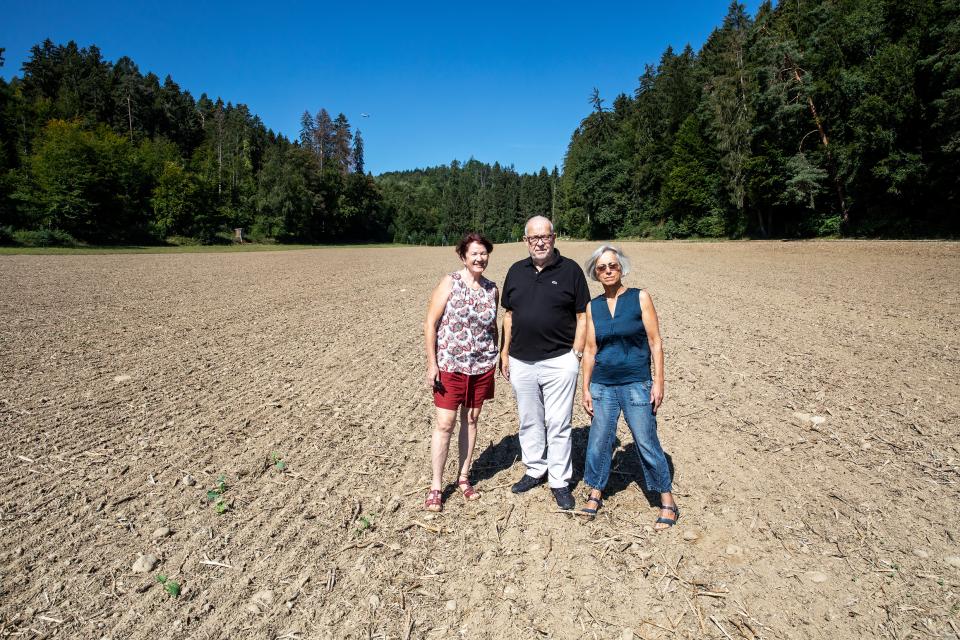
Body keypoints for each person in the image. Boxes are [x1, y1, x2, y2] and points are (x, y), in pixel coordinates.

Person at [579, 244, 679, 529]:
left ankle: (667, 500)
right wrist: (585, 388)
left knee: (646, 440)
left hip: (637, 382)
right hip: (603, 386)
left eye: (613, 265)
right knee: (599, 440)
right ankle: (595, 492)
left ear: (622, 268)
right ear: (595, 274)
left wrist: (658, 382)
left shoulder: (640, 298)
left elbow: (655, 342)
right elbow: (589, 349)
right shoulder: (593, 306)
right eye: (602, 267)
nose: (608, 270)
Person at [500, 216, 589, 510]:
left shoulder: (571, 271)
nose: (539, 242)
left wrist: (575, 354)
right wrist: (504, 352)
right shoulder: (515, 271)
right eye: (533, 237)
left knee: (559, 423)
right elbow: (509, 315)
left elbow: (582, 316)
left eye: (545, 236)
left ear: (554, 237)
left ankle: (559, 480)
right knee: (529, 420)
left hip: (559, 360)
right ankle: (535, 468)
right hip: (521, 361)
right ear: (526, 240)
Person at [423, 232, 499, 512]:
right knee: (444, 424)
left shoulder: (492, 289)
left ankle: (464, 478)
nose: (479, 258)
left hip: (481, 367)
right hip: (450, 366)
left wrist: (496, 355)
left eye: (483, 253)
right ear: (463, 257)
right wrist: (433, 363)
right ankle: (435, 486)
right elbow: (430, 324)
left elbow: (493, 327)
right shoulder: (450, 283)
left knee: (472, 419)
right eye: (474, 253)